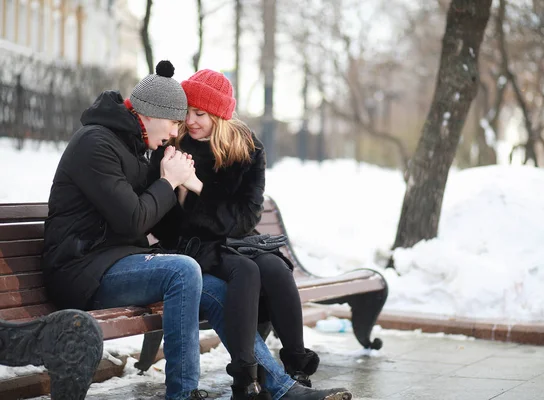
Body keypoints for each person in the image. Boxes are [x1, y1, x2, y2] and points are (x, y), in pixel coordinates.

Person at [41, 60, 350, 400]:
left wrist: (181, 185)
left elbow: (148, 215)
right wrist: (170, 181)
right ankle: (183, 393)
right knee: (184, 269)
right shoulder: (95, 144)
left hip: (118, 261)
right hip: (83, 271)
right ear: (154, 112)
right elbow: (134, 220)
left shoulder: (131, 144)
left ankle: (280, 387)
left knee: (219, 288)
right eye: (176, 120)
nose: (178, 131)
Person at [149, 69, 350, 400]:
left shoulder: (246, 149)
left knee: (275, 268)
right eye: (188, 112)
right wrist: (175, 186)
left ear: (220, 115)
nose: (191, 120)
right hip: (191, 244)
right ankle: (245, 379)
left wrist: (197, 186)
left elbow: (245, 218)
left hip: (234, 240)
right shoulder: (172, 147)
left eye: (201, 113)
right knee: (248, 269)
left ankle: (296, 367)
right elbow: (168, 223)